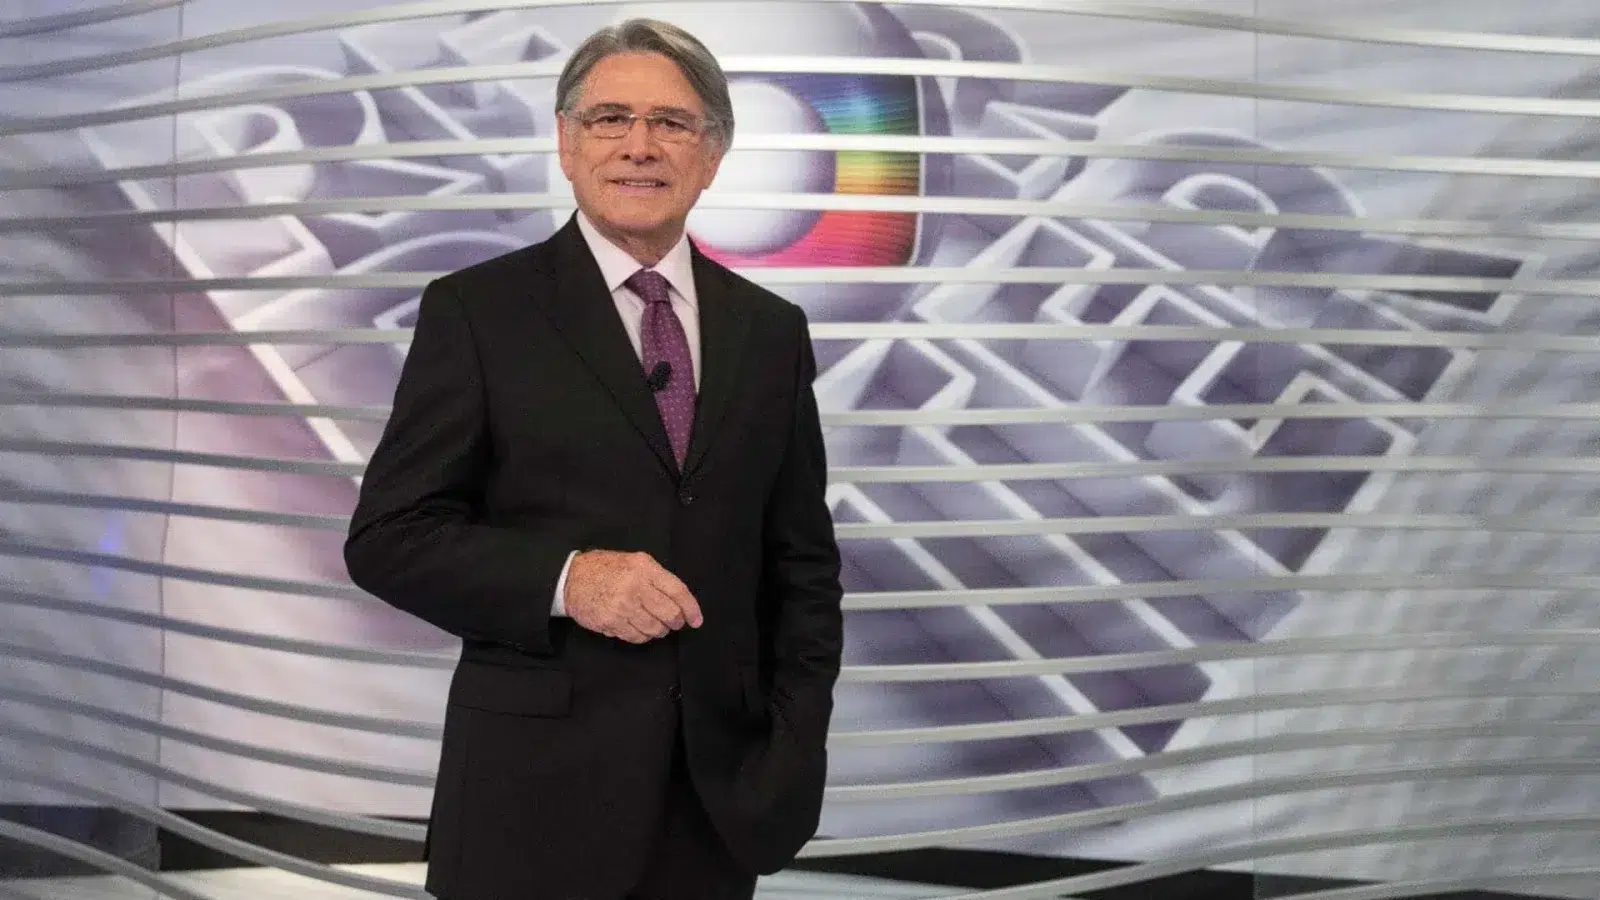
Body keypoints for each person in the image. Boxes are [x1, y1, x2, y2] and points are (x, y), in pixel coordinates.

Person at [343, 16, 843, 900]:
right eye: (611, 119)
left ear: (713, 154)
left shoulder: (772, 332)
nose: (639, 146)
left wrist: (791, 754)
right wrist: (570, 581)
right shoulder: (478, 312)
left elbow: (801, 567)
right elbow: (389, 537)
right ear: (567, 144)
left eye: (672, 122)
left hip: (712, 810)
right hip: (529, 806)